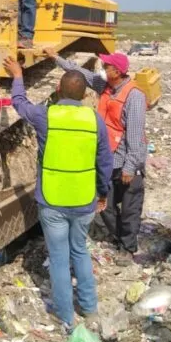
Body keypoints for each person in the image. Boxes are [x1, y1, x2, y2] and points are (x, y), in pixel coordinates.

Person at [3, 55, 113, 331]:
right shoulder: (94, 120)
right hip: (84, 199)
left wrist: (17, 76)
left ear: (58, 90)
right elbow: (104, 162)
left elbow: (20, 105)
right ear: (84, 94)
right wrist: (103, 192)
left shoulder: (46, 116)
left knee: (59, 258)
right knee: (80, 252)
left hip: (52, 200)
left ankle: (65, 316)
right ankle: (90, 309)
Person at [46, 48, 147, 263]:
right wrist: (56, 58)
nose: (103, 68)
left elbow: (136, 136)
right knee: (105, 206)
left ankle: (128, 248)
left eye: (107, 66)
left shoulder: (134, 96)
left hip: (127, 162)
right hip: (108, 158)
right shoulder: (106, 86)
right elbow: (80, 73)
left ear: (117, 71)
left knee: (130, 209)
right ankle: (119, 237)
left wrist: (130, 167)